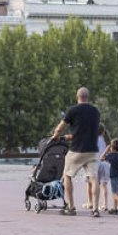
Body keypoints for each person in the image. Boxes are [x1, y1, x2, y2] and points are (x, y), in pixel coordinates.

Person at [50, 87, 102, 216]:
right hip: (92, 150)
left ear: (77, 96)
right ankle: (95, 209)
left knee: (67, 175)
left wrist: (55, 135)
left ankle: (71, 207)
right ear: (88, 97)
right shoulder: (95, 111)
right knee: (94, 178)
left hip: (77, 150)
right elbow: (85, 129)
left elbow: (61, 126)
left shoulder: (73, 110)